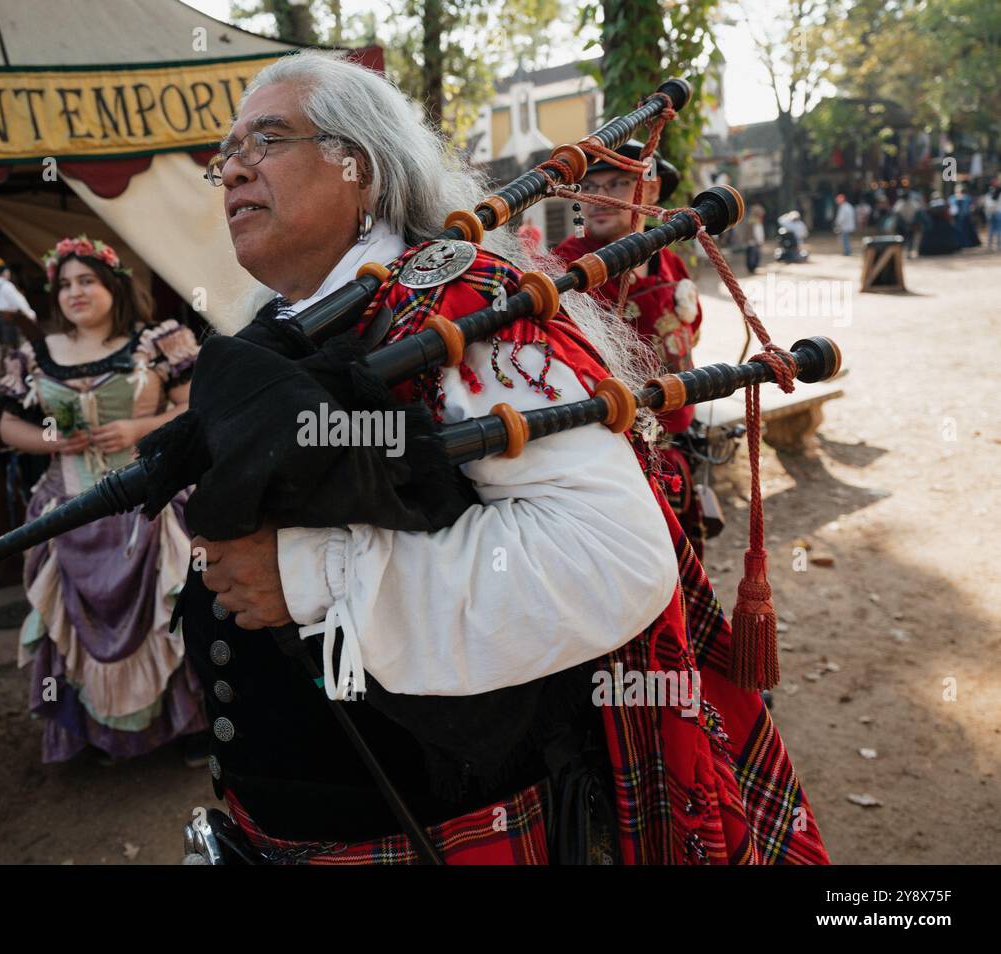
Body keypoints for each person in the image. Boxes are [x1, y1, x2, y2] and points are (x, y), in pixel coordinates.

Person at [185, 50, 828, 865]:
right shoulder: (276, 326)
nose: (234, 169)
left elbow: (609, 558)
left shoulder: (463, 304)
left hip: (449, 829)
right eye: (226, 155)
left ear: (365, 167)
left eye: (266, 141)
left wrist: (311, 577)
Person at [0, 236, 208, 764]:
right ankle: (90, 735)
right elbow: (6, 423)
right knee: (74, 627)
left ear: (113, 284)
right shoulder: (33, 355)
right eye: (64, 284)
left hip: (150, 505)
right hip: (68, 511)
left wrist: (139, 426)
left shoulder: (161, 341)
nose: (75, 292)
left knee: (174, 616)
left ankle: (185, 727)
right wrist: (51, 440)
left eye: (87, 280)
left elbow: (195, 407)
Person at [552, 140, 708, 556]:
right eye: (592, 185)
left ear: (652, 191)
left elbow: (690, 333)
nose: (601, 197)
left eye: (619, 183)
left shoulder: (668, 259)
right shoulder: (564, 272)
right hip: (610, 468)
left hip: (675, 455)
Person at [0, 260, 36, 352]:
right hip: (8, 319)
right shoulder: (7, 286)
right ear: (5, 272)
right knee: (12, 347)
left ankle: (6, 364)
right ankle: (11, 364)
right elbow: (19, 301)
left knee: (4, 346)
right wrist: (30, 314)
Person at [745, 204, 766, 274]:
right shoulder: (753, 221)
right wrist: (758, 241)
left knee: (755, 256)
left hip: (755, 241)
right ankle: (751, 269)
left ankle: (753, 268)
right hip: (753, 242)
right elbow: (755, 232)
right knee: (752, 257)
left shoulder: (755, 220)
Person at [984, 183, 1001, 252]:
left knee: (991, 229)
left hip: (991, 214)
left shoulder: (988, 196)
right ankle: (998, 245)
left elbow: (987, 205)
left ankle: (989, 245)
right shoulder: (999, 195)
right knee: (999, 229)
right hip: (998, 213)